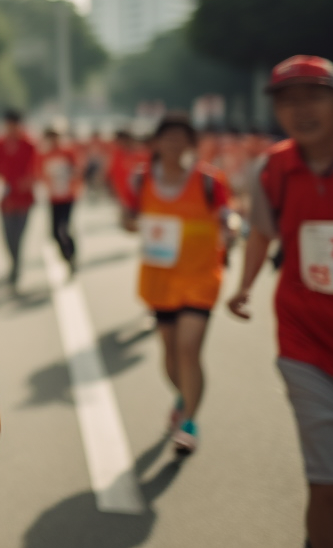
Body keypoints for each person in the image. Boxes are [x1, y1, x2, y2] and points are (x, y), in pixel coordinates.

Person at [228, 56, 333, 548]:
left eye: (313, 96)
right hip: (308, 346)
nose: (301, 110)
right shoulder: (272, 169)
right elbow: (262, 235)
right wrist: (246, 285)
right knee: (329, 488)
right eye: (288, 101)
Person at [121, 113, 233, 455]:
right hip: (160, 279)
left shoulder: (210, 181)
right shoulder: (142, 179)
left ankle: (188, 421)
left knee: (188, 347)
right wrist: (137, 224)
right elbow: (127, 218)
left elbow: (228, 216)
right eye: (167, 137)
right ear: (156, 143)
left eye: (180, 138)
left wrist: (230, 232)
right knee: (170, 353)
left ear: (190, 144)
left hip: (201, 277)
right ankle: (185, 395)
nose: (173, 144)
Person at [0, 109, 38, 286]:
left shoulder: (29, 144)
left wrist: (29, 180)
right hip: (5, 199)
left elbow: (36, 167)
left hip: (24, 199)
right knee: (7, 236)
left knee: (19, 235)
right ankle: (14, 263)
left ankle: (16, 266)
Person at [40, 123, 82, 271]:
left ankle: (72, 256)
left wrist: (70, 179)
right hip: (54, 198)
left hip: (68, 196)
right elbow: (40, 174)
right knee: (54, 233)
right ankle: (66, 256)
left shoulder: (67, 152)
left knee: (64, 228)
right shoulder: (44, 155)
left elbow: (77, 170)